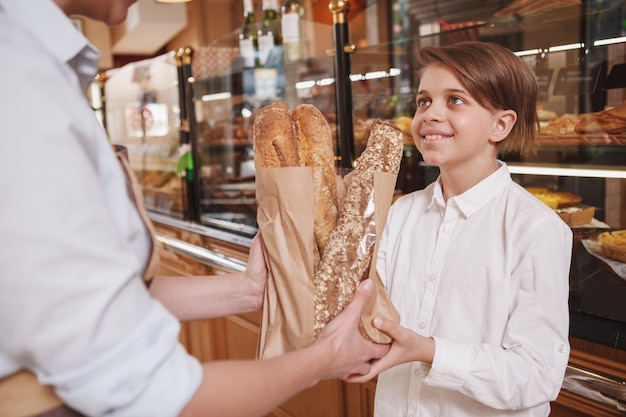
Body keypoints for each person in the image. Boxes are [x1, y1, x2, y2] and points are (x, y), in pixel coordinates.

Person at [0, 1, 389, 416]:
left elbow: (77, 298)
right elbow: (152, 397)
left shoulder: (33, 66)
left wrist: (246, 290)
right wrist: (324, 358)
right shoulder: (21, 79)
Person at [348, 41, 573, 416]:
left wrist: (429, 352)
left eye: (455, 100)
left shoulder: (536, 229)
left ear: (500, 125)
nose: (430, 114)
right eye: (423, 101)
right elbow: (367, 313)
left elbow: (537, 375)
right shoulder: (400, 214)